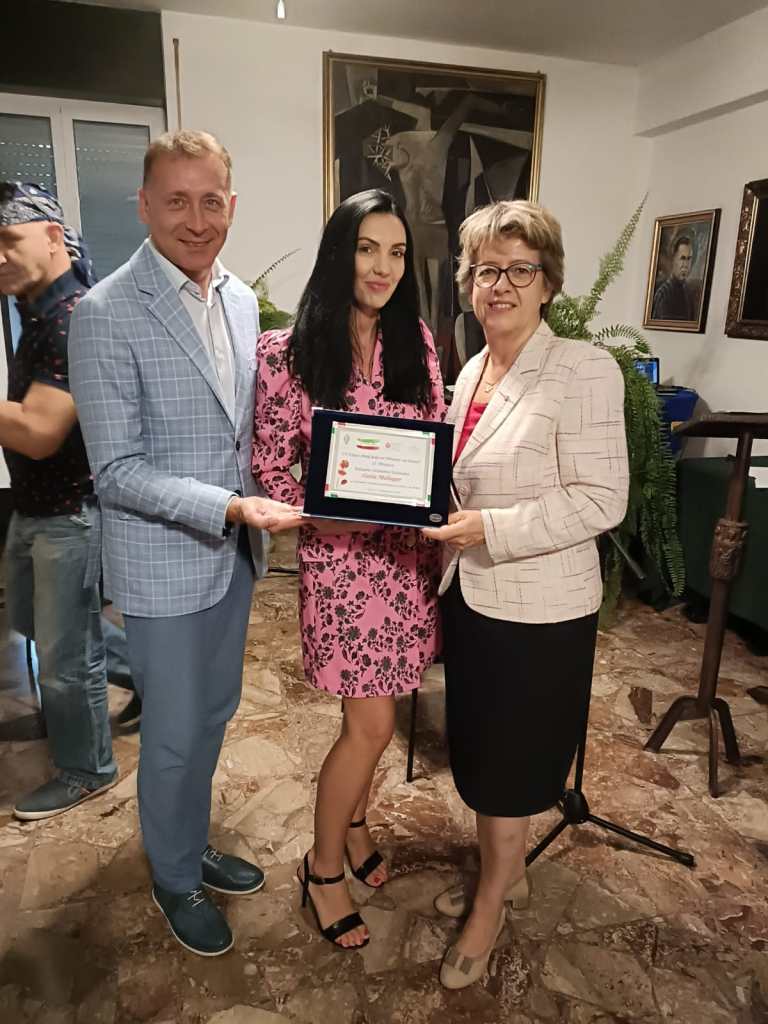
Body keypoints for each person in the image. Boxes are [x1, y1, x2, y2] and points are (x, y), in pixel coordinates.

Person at [69, 130, 300, 957]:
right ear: (144, 205)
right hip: (165, 564)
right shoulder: (103, 314)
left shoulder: (238, 300)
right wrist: (232, 507)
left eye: (210, 202)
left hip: (233, 559)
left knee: (212, 715)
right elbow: (116, 471)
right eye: (176, 201)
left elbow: (243, 430)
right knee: (170, 732)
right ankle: (172, 876)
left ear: (230, 206)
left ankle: (188, 841)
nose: (196, 220)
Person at [422, 200, 629, 989]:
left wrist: (490, 529)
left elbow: (602, 498)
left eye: (519, 270)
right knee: (481, 752)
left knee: (511, 765)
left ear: (549, 283)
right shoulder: (470, 370)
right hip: (471, 595)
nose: (499, 285)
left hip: (539, 608)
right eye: (485, 271)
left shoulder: (583, 369)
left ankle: (490, 906)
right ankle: (504, 874)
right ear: (468, 283)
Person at [252, 188, 445, 950]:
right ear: (340, 252)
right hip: (341, 565)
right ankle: (322, 867)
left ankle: (357, 825)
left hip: (404, 563)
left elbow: (431, 442)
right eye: (367, 248)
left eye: (396, 252)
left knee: (377, 715)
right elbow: (271, 465)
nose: (383, 267)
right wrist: (316, 511)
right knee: (371, 725)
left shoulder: (415, 341)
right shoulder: (287, 351)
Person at [0, 182, 118, 820]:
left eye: (7, 240)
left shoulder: (73, 317)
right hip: (35, 506)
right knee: (34, 622)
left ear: (51, 236)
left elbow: (41, 433)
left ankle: (86, 769)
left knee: (64, 659)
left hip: (71, 512)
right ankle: (143, 674)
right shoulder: (39, 312)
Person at [651, 235, 698, 320]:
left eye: (689, 259)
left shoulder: (689, 295)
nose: (685, 265)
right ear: (674, 259)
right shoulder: (663, 295)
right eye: (682, 258)